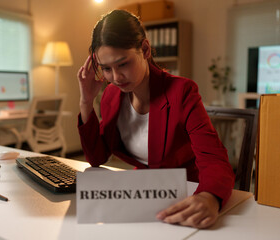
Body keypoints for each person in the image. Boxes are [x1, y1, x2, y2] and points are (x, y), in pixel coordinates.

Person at [77, 9, 234, 229]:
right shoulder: (112, 95)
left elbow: (214, 159)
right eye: (106, 69)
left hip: (187, 194)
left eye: (123, 64)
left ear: (145, 49)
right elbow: (96, 157)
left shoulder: (182, 91)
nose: (116, 77)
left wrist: (208, 197)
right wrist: (86, 101)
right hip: (144, 195)